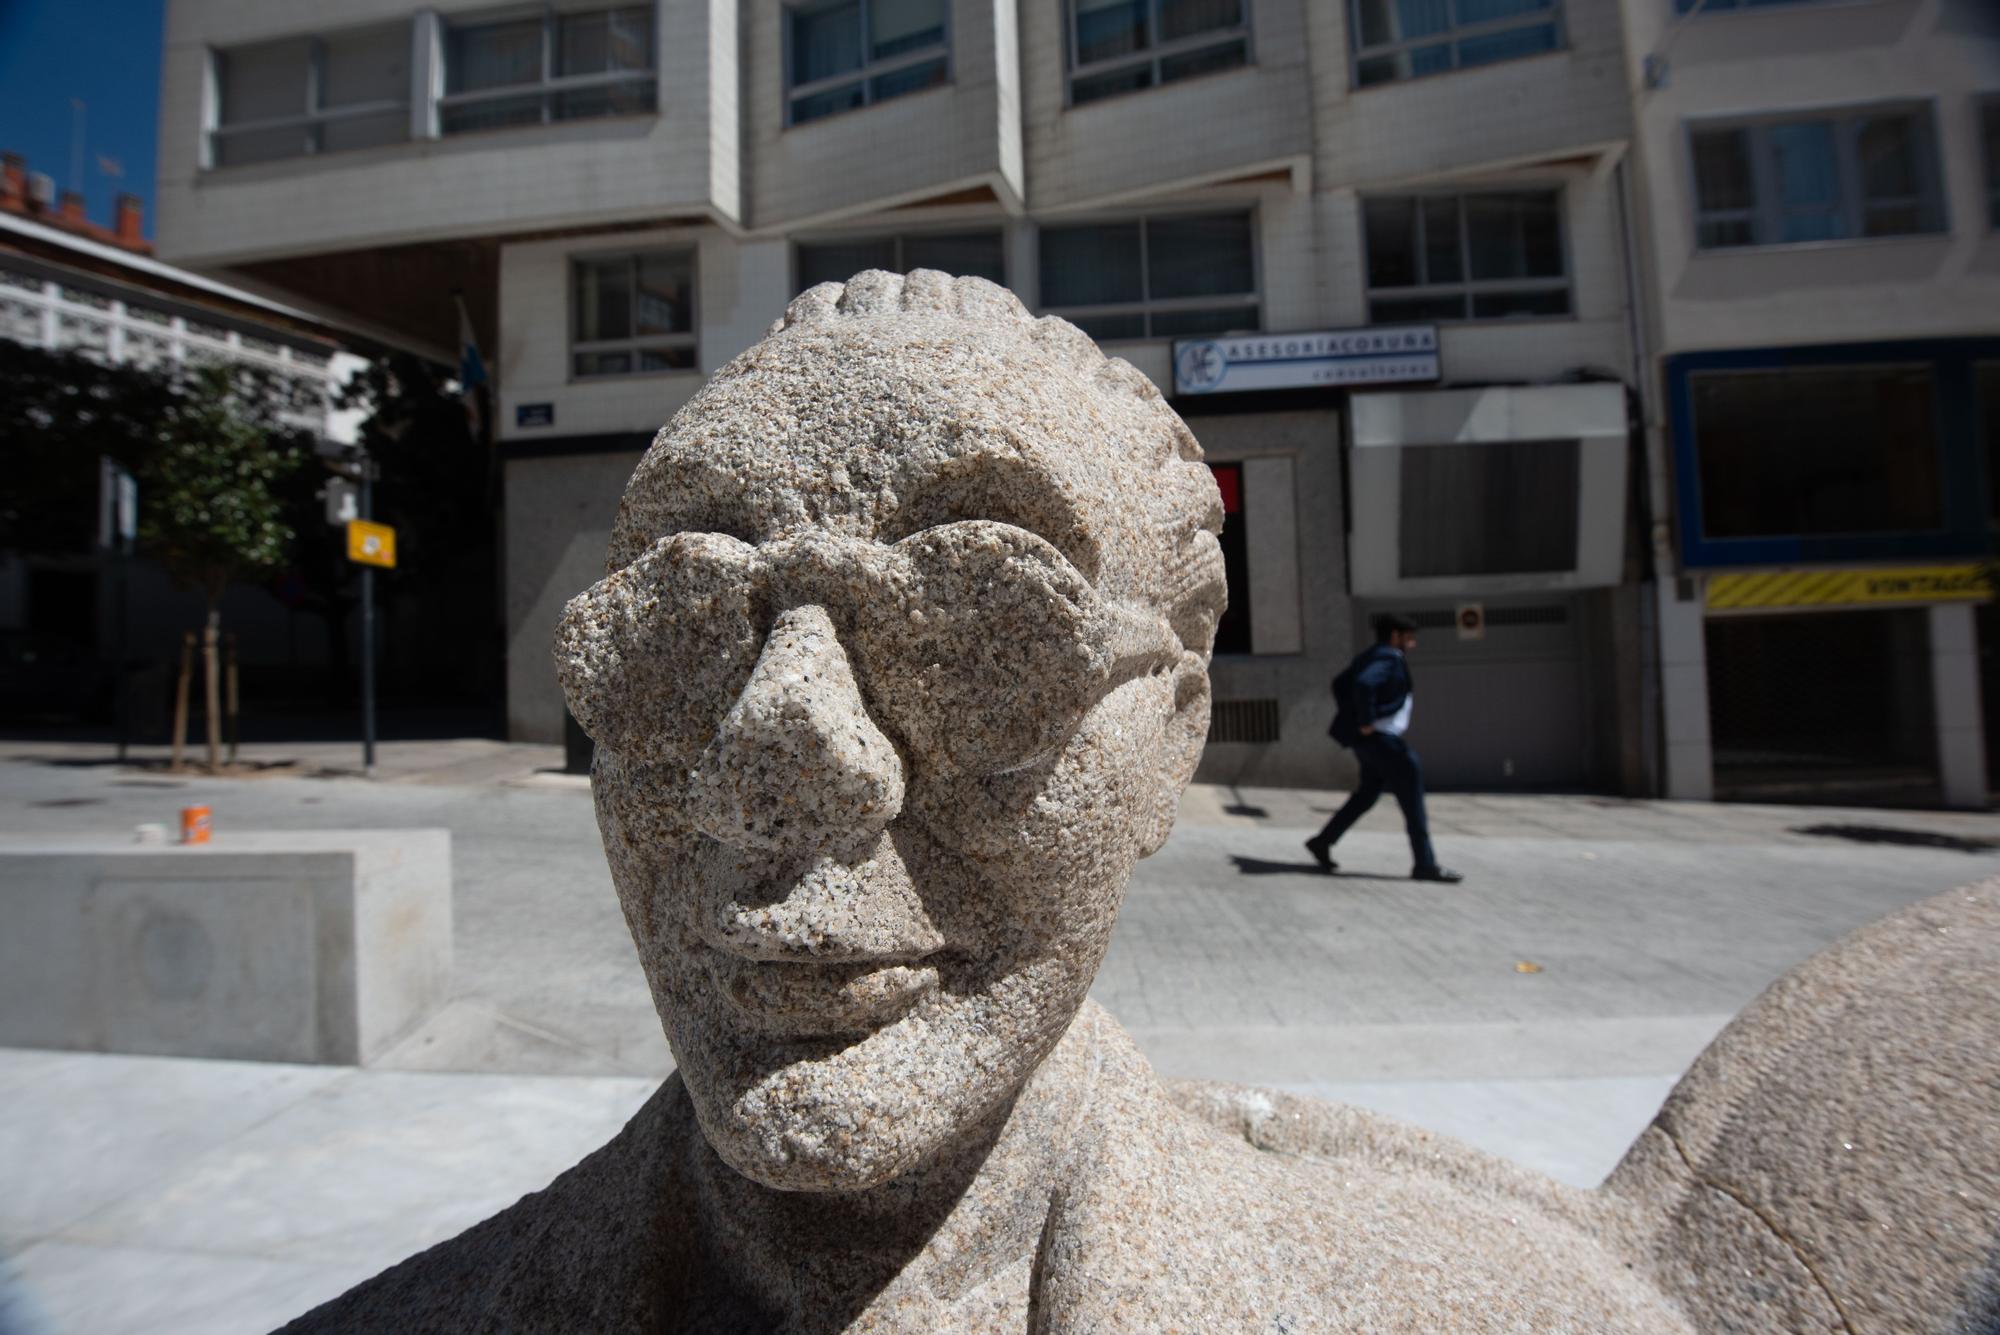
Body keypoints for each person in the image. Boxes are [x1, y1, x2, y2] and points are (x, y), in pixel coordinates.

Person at [1306, 612, 1463, 882]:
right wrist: (1365, 720)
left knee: (1366, 795)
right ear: (1395, 636)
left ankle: (1323, 841)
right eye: (1409, 638)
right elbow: (1364, 684)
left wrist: (1356, 721)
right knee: (1413, 800)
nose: (1411, 644)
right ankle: (1425, 864)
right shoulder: (1389, 657)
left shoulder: (1372, 654)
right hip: (1384, 741)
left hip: (1370, 742)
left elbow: (1340, 684)